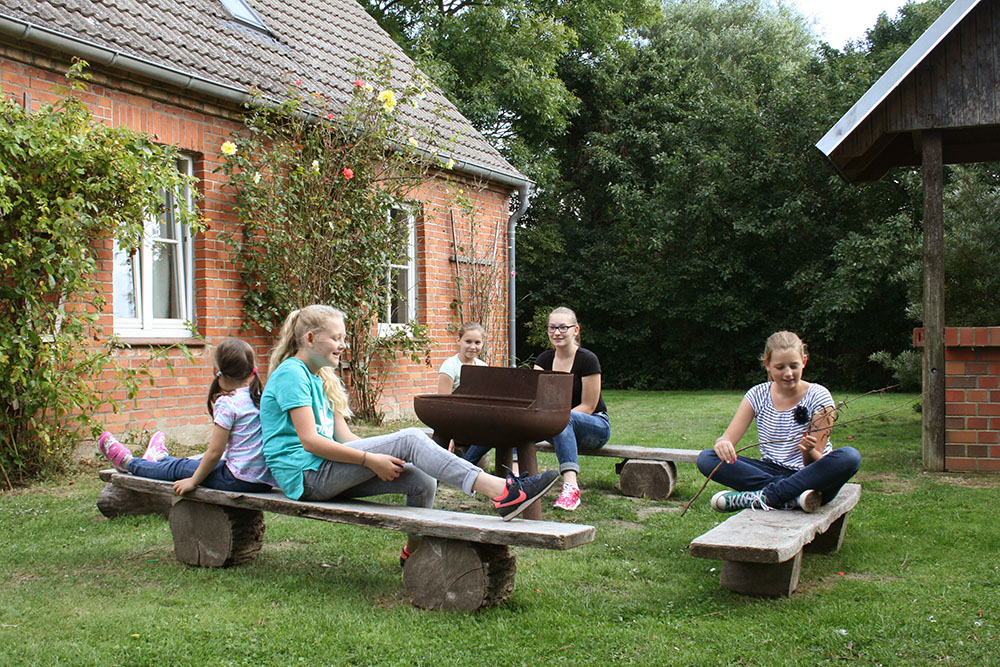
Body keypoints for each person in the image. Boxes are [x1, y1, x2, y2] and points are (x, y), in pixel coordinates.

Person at [259, 305, 559, 566]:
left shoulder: (320, 377)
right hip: (305, 476)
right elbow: (311, 441)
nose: (343, 345)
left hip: (323, 471)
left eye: (343, 337)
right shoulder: (292, 374)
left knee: (421, 479)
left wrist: (372, 458)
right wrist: (368, 459)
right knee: (412, 439)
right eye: (336, 338)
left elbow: (344, 436)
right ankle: (503, 492)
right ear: (310, 339)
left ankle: (413, 554)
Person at [696, 331, 861, 512]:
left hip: (813, 478)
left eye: (794, 366)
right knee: (707, 458)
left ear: (804, 361)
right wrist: (723, 443)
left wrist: (808, 450)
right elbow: (727, 439)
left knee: (850, 456)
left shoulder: (819, 396)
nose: (788, 373)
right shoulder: (757, 394)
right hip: (773, 471)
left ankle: (767, 496)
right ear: (767, 365)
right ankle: (792, 497)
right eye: (780, 367)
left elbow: (815, 463)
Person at [97, 338, 276, 495]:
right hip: (263, 480)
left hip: (237, 479)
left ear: (216, 371)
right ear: (253, 369)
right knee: (187, 464)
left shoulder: (228, 403)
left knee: (179, 468)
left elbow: (215, 452)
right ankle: (158, 457)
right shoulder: (260, 396)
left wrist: (193, 481)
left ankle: (128, 463)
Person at [533, 307, 611, 511]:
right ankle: (520, 481)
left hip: (594, 425)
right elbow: (538, 401)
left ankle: (571, 487)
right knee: (518, 419)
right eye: (552, 328)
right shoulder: (543, 361)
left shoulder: (587, 359)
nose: (556, 332)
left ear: (575, 330)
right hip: (556, 425)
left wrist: (556, 419)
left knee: (563, 418)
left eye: (562, 327)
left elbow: (589, 405)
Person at [435, 322, 490, 465]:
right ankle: (466, 465)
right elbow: (443, 404)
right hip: (456, 420)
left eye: (477, 342)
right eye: (468, 341)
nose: (473, 347)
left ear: (483, 344)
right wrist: (450, 436)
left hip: (476, 420)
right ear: (458, 341)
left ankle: (465, 463)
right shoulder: (450, 366)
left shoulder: (483, 367)